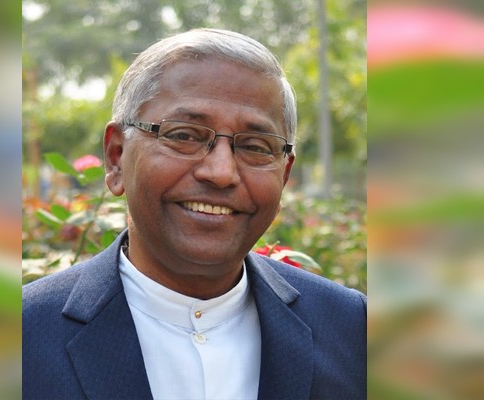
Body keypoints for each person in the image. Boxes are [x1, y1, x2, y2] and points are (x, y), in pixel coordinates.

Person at [23, 28, 366, 399]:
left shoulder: (351, 329)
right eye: (184, 136)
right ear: (116, 157)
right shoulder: (21, 336)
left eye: (255, 146)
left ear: (283, 175)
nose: (221, 172)